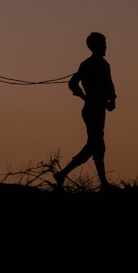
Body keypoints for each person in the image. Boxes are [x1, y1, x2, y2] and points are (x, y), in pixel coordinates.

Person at [54, 32, 117, 191]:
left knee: (95, 146)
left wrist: (112, 100)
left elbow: (110, 85)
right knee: (97, 145)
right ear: (96, 46)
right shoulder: (87, 65)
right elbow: (73, 83)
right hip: (91, 110)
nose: (105, 47)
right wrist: (85, 97)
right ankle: (102, 183)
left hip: (100, 109)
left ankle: (63, 174)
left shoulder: (105, 65)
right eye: (103, 44)